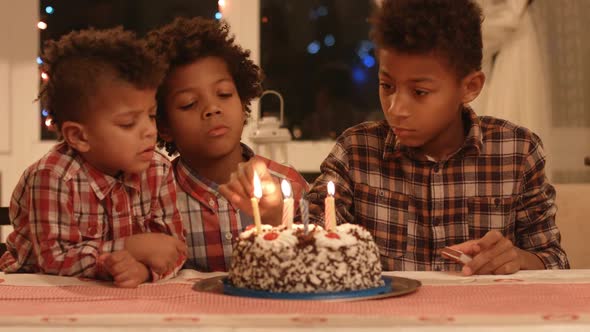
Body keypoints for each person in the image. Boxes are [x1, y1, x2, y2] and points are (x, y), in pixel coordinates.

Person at [304, 0, 569, 274]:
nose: (396, 108)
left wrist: (516, 258)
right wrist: (282, 214)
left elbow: (554, 261)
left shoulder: (517, 151)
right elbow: (309, 235)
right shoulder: (356, 152)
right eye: (387, 86)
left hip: (479, 315)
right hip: (383, 314)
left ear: (470, 87)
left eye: (419, 92)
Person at [0, 27, 187, 287]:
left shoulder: (158, 169)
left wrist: (143, 271)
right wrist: (130, 247)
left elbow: (173, 249)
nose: (150, 131)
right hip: (37, 291)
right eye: (128, 123)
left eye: (151, 115)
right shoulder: (52, 177)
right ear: (79, 137)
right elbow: (52, 260)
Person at [146, 17, 308, 272]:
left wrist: (277, 221)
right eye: (189, 103)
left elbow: (314, 271)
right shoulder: (153, 199)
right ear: (164, 125)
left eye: (224, 94)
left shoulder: (290, 186)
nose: (212, 109)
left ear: (243, 102)